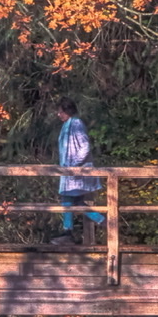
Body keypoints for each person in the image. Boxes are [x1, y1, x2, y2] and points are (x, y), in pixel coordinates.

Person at [52, 98, 105, 245]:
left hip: (77, 173)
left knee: (70, 201)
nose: (58, 114)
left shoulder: (76, 124)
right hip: (70, 173)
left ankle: (102, 221)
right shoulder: (66, 125)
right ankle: (69, 231)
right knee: (70, 200)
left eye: (60, 111)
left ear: (67, 111)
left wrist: (74, 165)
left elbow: (85, 146)